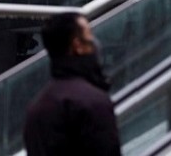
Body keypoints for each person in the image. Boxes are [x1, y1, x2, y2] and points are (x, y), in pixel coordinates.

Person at [23, 12, 121, 156]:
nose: (94, 43)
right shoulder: (93, 102)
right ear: (78, 45)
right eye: (89, 37)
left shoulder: (36, 108)